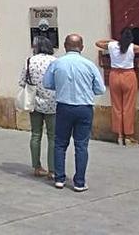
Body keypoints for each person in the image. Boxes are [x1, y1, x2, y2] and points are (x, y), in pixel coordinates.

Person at [44, 34, 106, 192]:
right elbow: (100, 89)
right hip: (84, 107)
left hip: (64, 106)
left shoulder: (57, 64)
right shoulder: (89, 65)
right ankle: (79, 181)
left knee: (60, 143)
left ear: (65, 46)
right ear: (82, 47)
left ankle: (59, 179)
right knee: (81, 145)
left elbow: (47, 83)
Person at [95, 28, 139, 146]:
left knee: (116, 107)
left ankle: (119, 134)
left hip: (114, 75)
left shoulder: (112, 45)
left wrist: (111, 40)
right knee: (128, 106)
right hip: (128, 75)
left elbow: (98, 43)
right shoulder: (132, 47)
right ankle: (128, 135)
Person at [18, 36, 57, 178]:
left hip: (34, 102)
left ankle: (37, 167)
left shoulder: (30, 61)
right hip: (53, 102)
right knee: (53, 137)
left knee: (35, 134)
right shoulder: (54, 61)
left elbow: (22, 82)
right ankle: (52, 169)